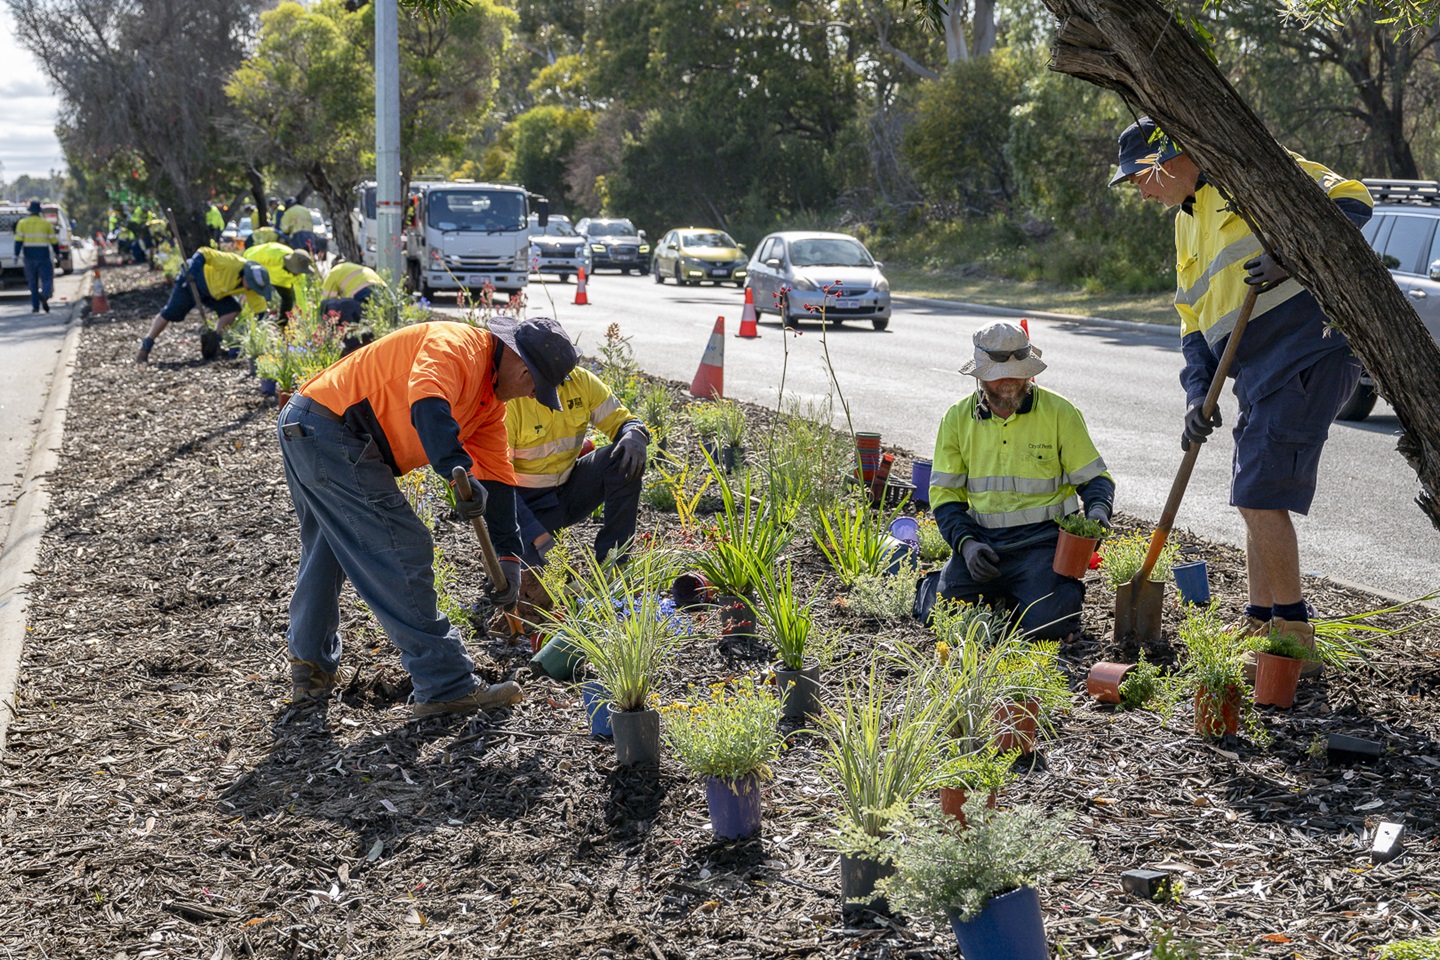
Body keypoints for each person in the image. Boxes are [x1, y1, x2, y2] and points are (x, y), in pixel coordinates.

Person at [1110, 117, 1372, 670]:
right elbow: (1192, 323)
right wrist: (1195, 396)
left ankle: (1295, 638)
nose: (1140, 190)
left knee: (1259, 495)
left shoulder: (1248, 175)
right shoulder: (1185, 223)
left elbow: (1352, 199)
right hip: (1255, 371)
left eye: (1140, 177)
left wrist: (1293, 257)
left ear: (1171, 159)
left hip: (1308, 353)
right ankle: (1259, 616)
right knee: (1250, 495)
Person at [277, 317, 580, 716]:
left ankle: (310, 672)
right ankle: (445, 683)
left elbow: (501, 484)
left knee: (327, 552)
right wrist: (457, 475)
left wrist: (509, 559)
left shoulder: (489, 404)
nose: (528, 395)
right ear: (524, 370)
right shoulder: (456, 346)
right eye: (534, 388)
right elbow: (428, 403)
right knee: (402, 544)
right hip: (330, 430)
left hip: (312, 425)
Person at [930, 320, 1114, 640]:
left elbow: (1096, 480)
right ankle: (1000, 594)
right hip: (982, 546)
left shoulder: (1060, 412)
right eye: (998, 374)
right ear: (980, 375)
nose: (1009, 382)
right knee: (945, 617)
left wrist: (1097, 513)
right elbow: (945, 496)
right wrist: (967, 545)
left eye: (1018, 372)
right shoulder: (956, 419)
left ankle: (1026, 598)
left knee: (1051, 626)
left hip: (1043, 547)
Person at [507, 365, 649, 573]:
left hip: (569, 489)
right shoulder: (512, 399)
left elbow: (623, 421)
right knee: (536, 583)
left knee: (622, 460)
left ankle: (614, 566)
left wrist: (634, 432)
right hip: (528, 505)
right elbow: (497, 487)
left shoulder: (581, 381)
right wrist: (537, 536)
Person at [135, 248, 275, 362]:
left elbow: (260, 311)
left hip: (214, 294)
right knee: (171, 312)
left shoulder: (250, 288)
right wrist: (193, 270)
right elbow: (204, 252)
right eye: (251, 285)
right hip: (192, 282)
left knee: (232, 309)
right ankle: (146, 345)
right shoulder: (232, 263)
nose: (251, 289)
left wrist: (264, 335)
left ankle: (215, 343)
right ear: (247, 276)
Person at [244, 242, 315, 320]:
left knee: (288, 298)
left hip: (279, 280)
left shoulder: (300, 276)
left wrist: (304, 318)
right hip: (259, 271)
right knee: (260, 297)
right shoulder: (274, 253)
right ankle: (255, 319)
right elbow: (250, 260)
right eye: (298, 270)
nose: (299, 273)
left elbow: (301, 297)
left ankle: (282, 324)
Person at [13, 200, 59, 313]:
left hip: (29, 256)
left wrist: (16, 254)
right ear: (39, 211)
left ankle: (35, 307)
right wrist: (58, 253)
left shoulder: (22, 223)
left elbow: (18, 241)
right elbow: (54, 241)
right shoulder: (46, 224)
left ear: (30, 211)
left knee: (32, 282)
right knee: (47, 279)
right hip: (43, 255)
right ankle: (45, 295)